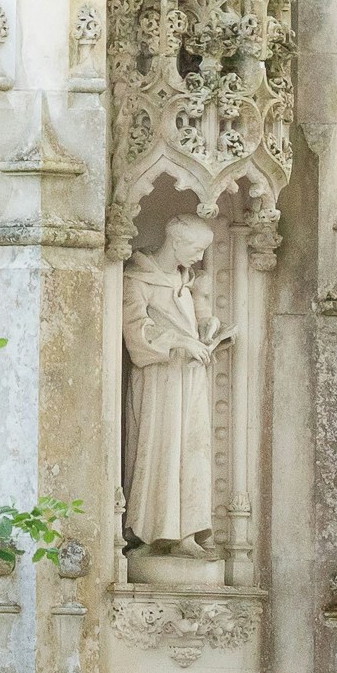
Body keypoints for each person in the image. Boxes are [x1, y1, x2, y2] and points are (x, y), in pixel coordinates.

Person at [120, 215, 221, 553]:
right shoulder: (138, 278)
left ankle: (188, 533)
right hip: (160, 378)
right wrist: (178, 343)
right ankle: (153, 533)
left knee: (193, 451)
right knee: (162, 451)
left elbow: (190, 317)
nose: (199, 257)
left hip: (189, 377)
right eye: (195, 249)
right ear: (176, 243)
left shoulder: (184, 279)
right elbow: (136, 329)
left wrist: (205, 330)